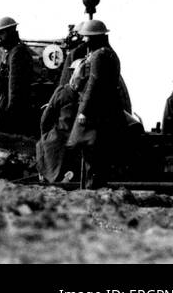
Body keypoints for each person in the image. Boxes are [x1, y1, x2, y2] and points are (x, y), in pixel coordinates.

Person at [66, 19, 128, 189]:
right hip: (107, 111)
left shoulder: (99, 55)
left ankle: (90, 190)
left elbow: (93, 84)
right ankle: (92, 188)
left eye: (87, 37)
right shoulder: (109, 53)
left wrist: (84, 111)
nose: (84, 40)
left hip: (97, 113)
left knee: (92, 155)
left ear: (95, 37)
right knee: (97, 154)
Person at [36, 59, 83, 183]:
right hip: (67, 137)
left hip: (68, 137)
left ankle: (59, 176)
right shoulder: (67, 93)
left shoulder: (68, 93)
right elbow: (46, 120)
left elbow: (45, 119)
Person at [0, 16, 38, 135]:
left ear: (11, 32)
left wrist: (10, 110)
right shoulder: (12, 51)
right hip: (6, 99)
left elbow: (14, 85)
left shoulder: (17, 53)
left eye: (1, 34)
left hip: (12, 103)